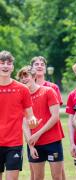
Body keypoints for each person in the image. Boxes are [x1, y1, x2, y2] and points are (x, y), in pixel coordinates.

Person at [17, 66, 65, 180]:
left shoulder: (48, 91)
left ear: (34, 77)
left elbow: (55, 117)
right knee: (37, 177)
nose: (23, 79)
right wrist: (30, 144)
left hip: (52, 141)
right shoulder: (21, 97)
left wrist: (38, 133)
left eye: (26, 76)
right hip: (34, 144)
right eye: (21, 77)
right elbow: (24, 122)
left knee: (57, 177)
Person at [0, 51, 37, 180]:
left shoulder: (22, 89)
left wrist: (33, 120)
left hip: (14, 143)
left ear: (12, 67)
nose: (5, 66)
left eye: (8, 63)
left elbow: (30, 115)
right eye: (2, 63)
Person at [30, 56, 65, 179]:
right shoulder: (26, 89)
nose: (39, 66)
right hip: (34, 137)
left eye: (42, 64)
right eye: (36, 64)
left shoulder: (52, 87)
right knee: (34, 174)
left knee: (59, 173)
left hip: (52, 135)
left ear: (45, 69)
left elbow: (55, 114)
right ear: (31, 69)